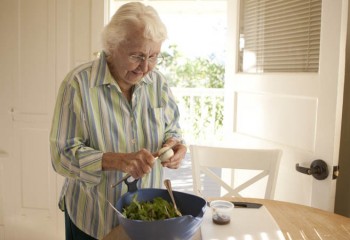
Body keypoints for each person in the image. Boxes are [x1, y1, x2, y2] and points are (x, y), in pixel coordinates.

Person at [49, 2, 187, 239]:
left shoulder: (158, 83)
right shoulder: (78, 84)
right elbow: (61, 156)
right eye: (137, 56)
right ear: (111, 45)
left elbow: (172, 129)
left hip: (144, 218)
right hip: (93, 216)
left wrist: (175, 145)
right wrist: (118, 160)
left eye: (153, 56)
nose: (145, 67)